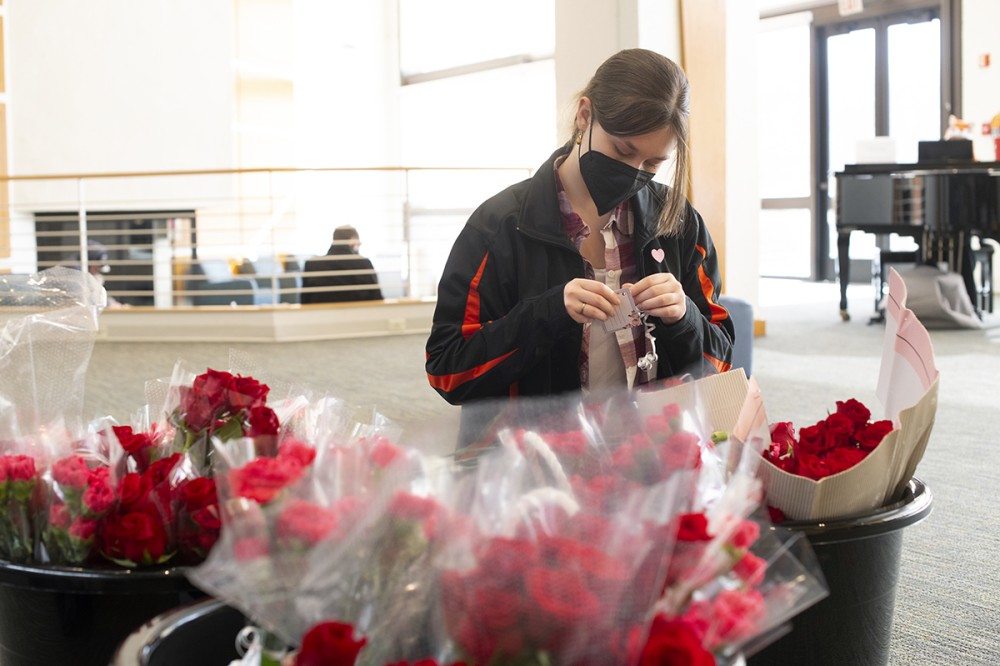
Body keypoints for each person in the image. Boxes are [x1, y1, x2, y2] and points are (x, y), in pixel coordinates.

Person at [424, 49, 735, 438]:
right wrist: (548, 312)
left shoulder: (677, 221)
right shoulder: (501, 226)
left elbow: (720, 360)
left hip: (650, 454)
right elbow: (447, 370)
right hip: (536, 466)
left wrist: (683, 317)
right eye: (623, 150)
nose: (634, 173)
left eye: (653, 164)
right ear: (584, 115)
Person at [301, 225, 383, 303]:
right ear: (353, 240)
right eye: (359, 243)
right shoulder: (364, 263)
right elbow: (377, 298)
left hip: (320, 316)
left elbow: (305, 300)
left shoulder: (312, 264)